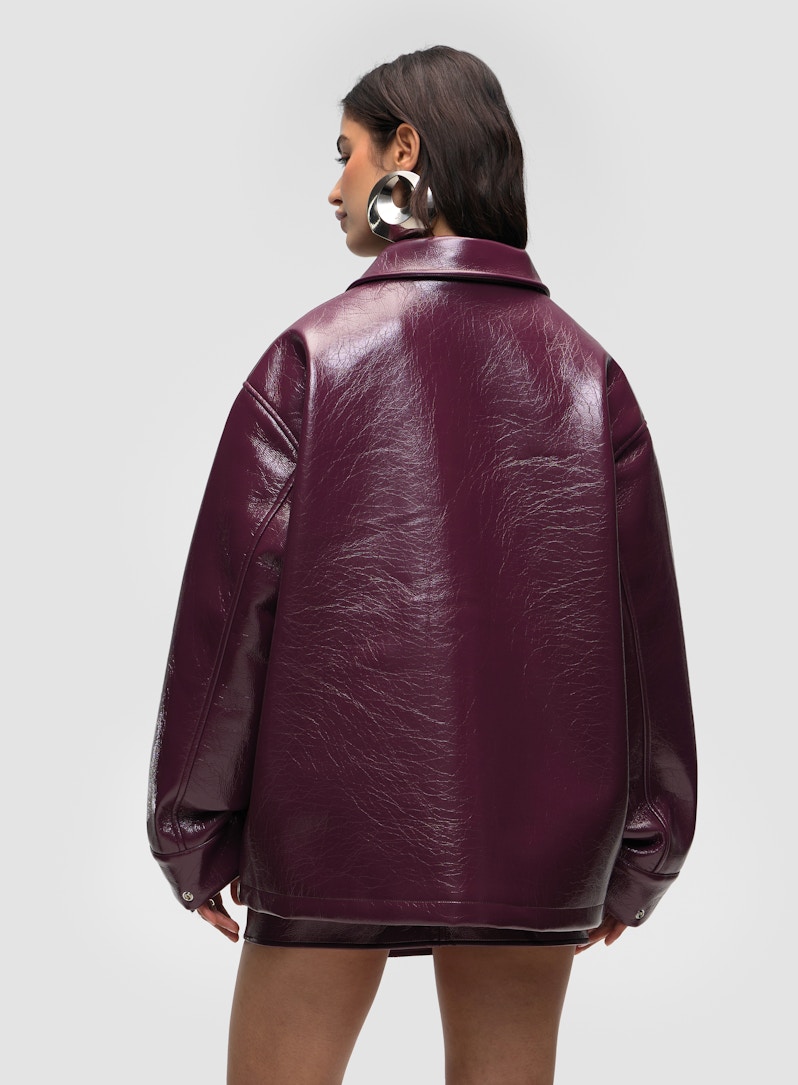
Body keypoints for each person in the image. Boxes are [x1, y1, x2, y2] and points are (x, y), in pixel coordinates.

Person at [147, 45, 697, 1085]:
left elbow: (228, 622)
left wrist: (190, 826)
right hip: (532, 841)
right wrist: (648, 848)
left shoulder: (312, 359)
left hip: (327, 834)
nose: (333, 186)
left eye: (345, 153)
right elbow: (644, 638)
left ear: (405, 149)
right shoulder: (590, 375)